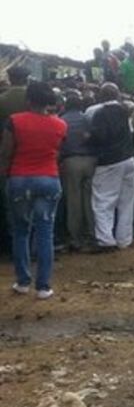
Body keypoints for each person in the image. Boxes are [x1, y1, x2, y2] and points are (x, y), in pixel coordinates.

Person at [1, 82, 66, 299]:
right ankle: (43, 287)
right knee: (45, 232)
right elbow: (57, 153)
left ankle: (22, 281)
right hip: (48, 179)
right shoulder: (60, 125)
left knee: (20, 232)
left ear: (28, 100)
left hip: (19, 180)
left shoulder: (15, 121)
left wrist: (5, 176)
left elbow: (6, 153)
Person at [87, 83, 134, 250]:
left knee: (103, 201)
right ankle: (124, 239)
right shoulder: (125, 111)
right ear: (117, 95)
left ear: (101, 96)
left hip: (109, 162)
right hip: (128, 160)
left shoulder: (100, 113)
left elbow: (100, 137)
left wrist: (88, 136)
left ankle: (105, 239)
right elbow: (131, 134)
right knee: (126, 202)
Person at [59, 90, 96, 251]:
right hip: (91, 161)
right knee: (90, 200)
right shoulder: (88, 119)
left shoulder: (61, 121)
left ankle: (75, 238)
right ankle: (92, 233)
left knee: (73, 201)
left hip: (70, 161)